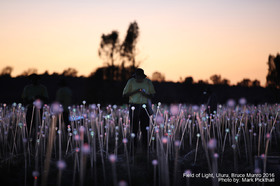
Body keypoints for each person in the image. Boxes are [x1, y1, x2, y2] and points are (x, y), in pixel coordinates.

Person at [123, 68, 156, 152]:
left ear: (143, 76)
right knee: (134, 128)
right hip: (134, 106)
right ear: (135, 76)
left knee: (145, 129)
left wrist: (145, 94)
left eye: (140, 77)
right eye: (137, 77)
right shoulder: (131, 81)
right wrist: (136, 91)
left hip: (145, 107)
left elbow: (153, 95)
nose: (139, 79)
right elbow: (124, 95)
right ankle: (133, 148)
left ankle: (145, 148)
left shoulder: (148, 82)